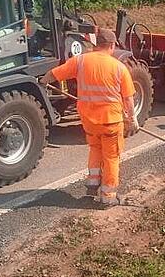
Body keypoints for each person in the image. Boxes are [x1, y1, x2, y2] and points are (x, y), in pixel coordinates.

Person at [40, 29, 139, 206]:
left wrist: (42, 82)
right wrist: (132, 119)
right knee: (111, 157)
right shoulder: (119, 67)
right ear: (112, 45)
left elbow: (54, 74)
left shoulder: (80, 61)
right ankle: (108, 196)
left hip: (88, 120)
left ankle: (93, 183)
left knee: (95, 148)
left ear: (95, 44)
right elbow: (128, 99)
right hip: (110, 121)